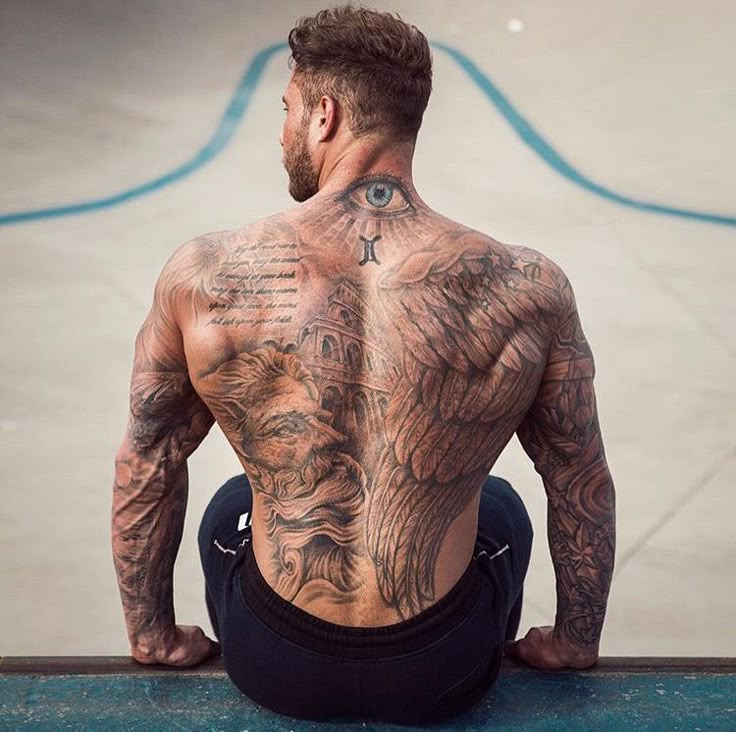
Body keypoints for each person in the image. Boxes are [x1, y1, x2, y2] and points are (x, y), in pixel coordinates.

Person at [111, 5, 616, 724]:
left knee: (231, 505)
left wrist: (152, 635)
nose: (282, 130)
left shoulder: (207, 274)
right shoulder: (524, 285)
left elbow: (147, 460)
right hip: (443, 666)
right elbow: (577, 476)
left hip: (275, 662)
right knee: (502, 506)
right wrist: (575, 641)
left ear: (324, 115)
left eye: (286, 109)